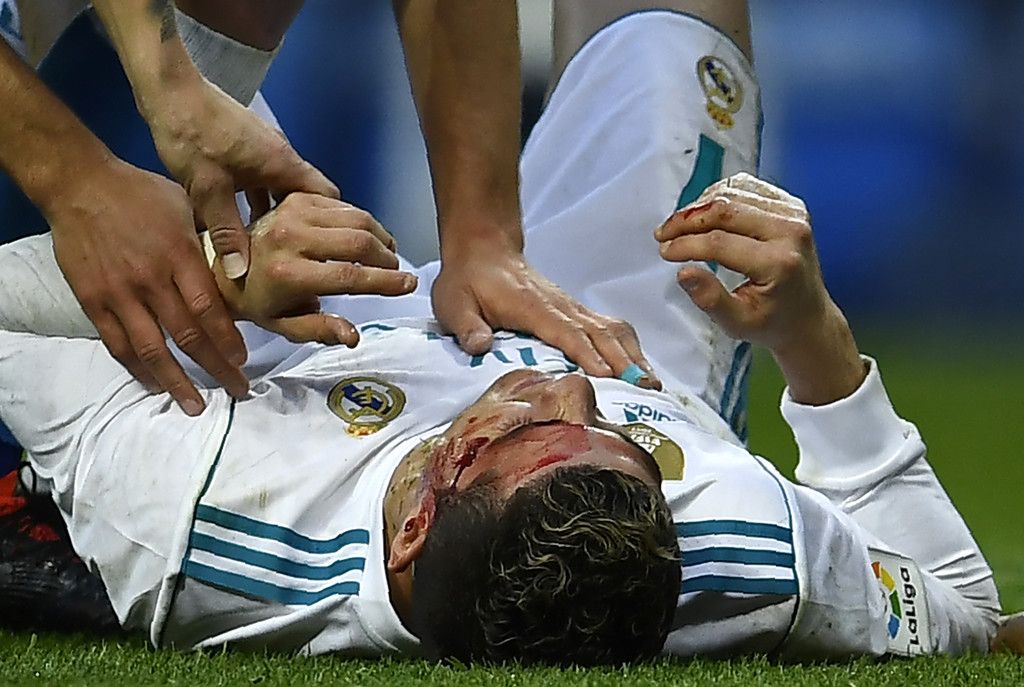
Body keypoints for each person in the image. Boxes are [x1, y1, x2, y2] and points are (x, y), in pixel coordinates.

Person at [0, 7, 1014, 662]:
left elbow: (20, 323)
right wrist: (813, 334)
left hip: (254, 346)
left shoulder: (195, 505)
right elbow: (965, 612)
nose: (574, 394)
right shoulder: (725, 532)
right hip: (595, 324)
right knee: (671, 35)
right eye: (624, 440)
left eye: (534, 425)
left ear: (412, 525)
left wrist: (217, 269)